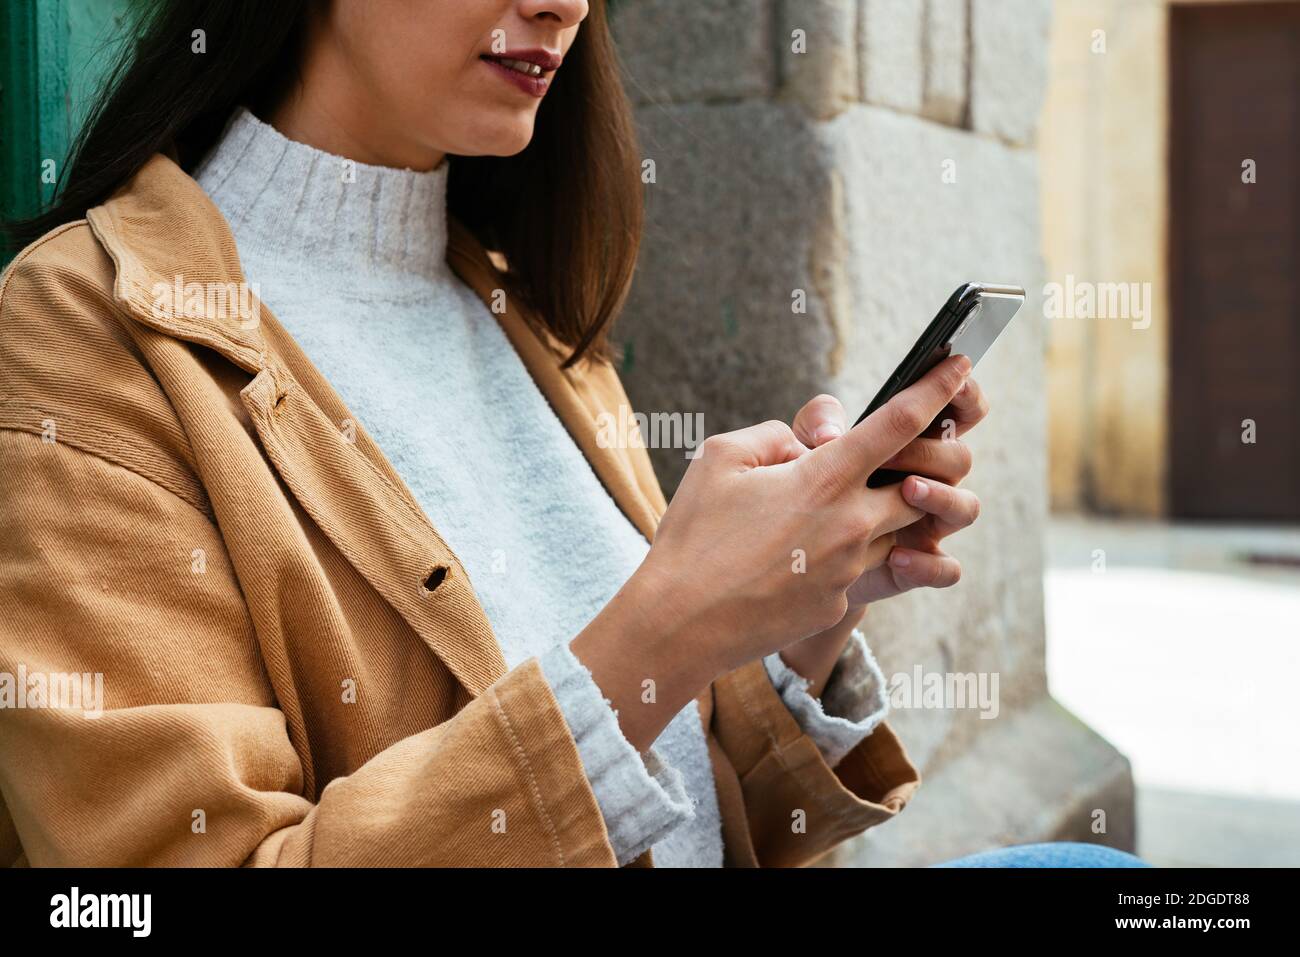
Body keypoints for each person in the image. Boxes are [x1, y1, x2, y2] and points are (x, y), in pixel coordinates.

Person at [0, 0, 1129, 869]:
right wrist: (667, 634)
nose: (563, 5)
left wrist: (798, 617)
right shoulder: (85, 329)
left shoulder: (524, 312)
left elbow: (698, 815)